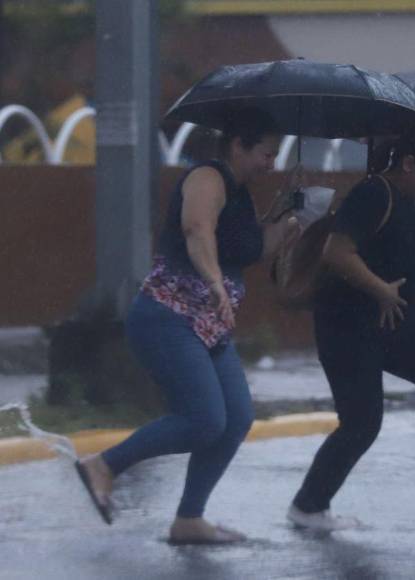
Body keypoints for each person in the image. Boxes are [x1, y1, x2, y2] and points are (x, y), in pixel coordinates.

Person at [74, 110, 299, 544]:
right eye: (266, 154)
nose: (270, 163)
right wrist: (214, 282)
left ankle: (189, 519)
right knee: (203, 420)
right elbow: (197, 230)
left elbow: (253, 250)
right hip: (167, 317)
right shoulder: (207, 179)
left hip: (210, 327)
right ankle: (103, 466)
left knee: (235, 419)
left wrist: (292, 221)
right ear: (238, 145)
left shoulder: (243, 195)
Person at [286, 126, 415, 531]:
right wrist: (381, 290)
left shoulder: (404, 201)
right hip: (348, 328)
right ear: (408, 164)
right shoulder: (374, 194)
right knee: (363, 422)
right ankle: (308, 506)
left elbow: (390, 249)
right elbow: (337, 252)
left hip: (390, 327)